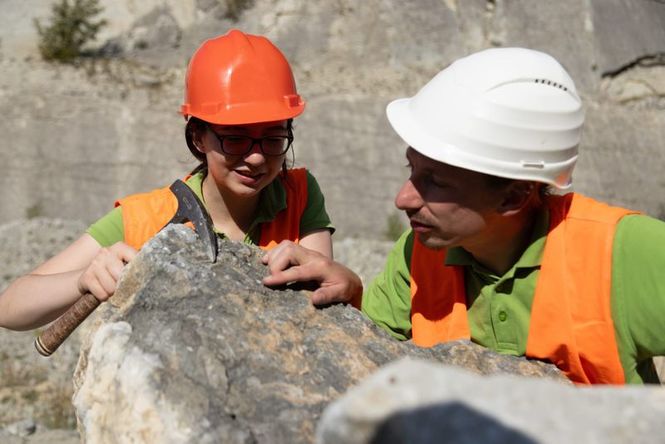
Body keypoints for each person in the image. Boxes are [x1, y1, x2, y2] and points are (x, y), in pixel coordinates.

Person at [263, 47, 665, 385]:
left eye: (435, 182)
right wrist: (352, 296)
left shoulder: (620, 254)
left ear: (514, 196)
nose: (403, 199)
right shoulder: (419, 253)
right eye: (411, 171)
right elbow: (369, 368)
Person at [0, 29, 334, 331]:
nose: (257, 156)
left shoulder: (299, 194)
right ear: (198, 137)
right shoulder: (145, 218)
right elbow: (9, 309)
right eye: (235, 138)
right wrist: (83, 281)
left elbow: (323, 308)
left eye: (273, 138)